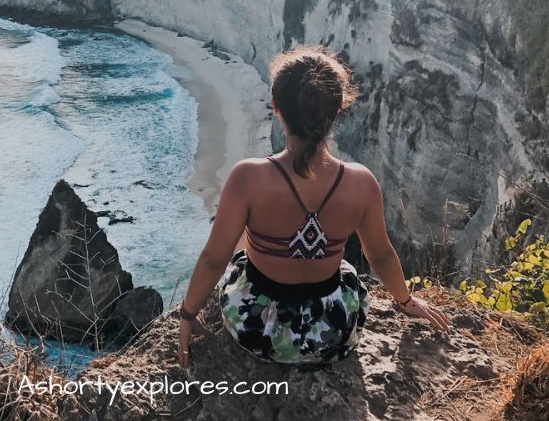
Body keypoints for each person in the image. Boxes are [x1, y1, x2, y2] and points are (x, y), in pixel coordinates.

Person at [177, 45, 449, 368]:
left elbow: (213, 259)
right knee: (340, 267)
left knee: (244, 241)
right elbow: (381, 255)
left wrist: (187, 314)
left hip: (258, 331)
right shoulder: (361, 183)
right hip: (331, 332)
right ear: (337, 110)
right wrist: (405, 300)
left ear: (276, 107)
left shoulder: (248, 177)